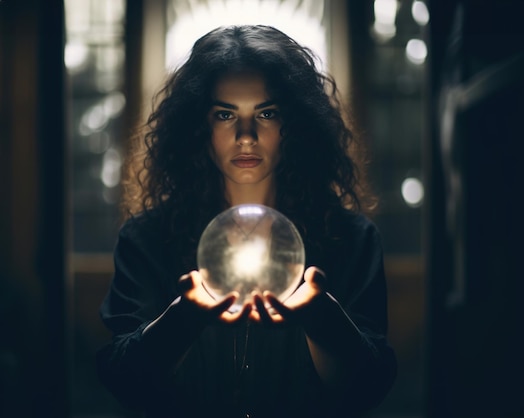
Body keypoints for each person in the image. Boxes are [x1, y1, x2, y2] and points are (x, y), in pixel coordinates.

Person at [97, 25, 397, 418]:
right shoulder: (147, 240)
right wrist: (184, 315)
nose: (246, 136)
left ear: (295, 125)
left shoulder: (350, 239)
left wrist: (320, 316)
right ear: (199, 127)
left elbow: (369, 387)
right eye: (225, 114)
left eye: (266, 113)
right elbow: (123, 380)